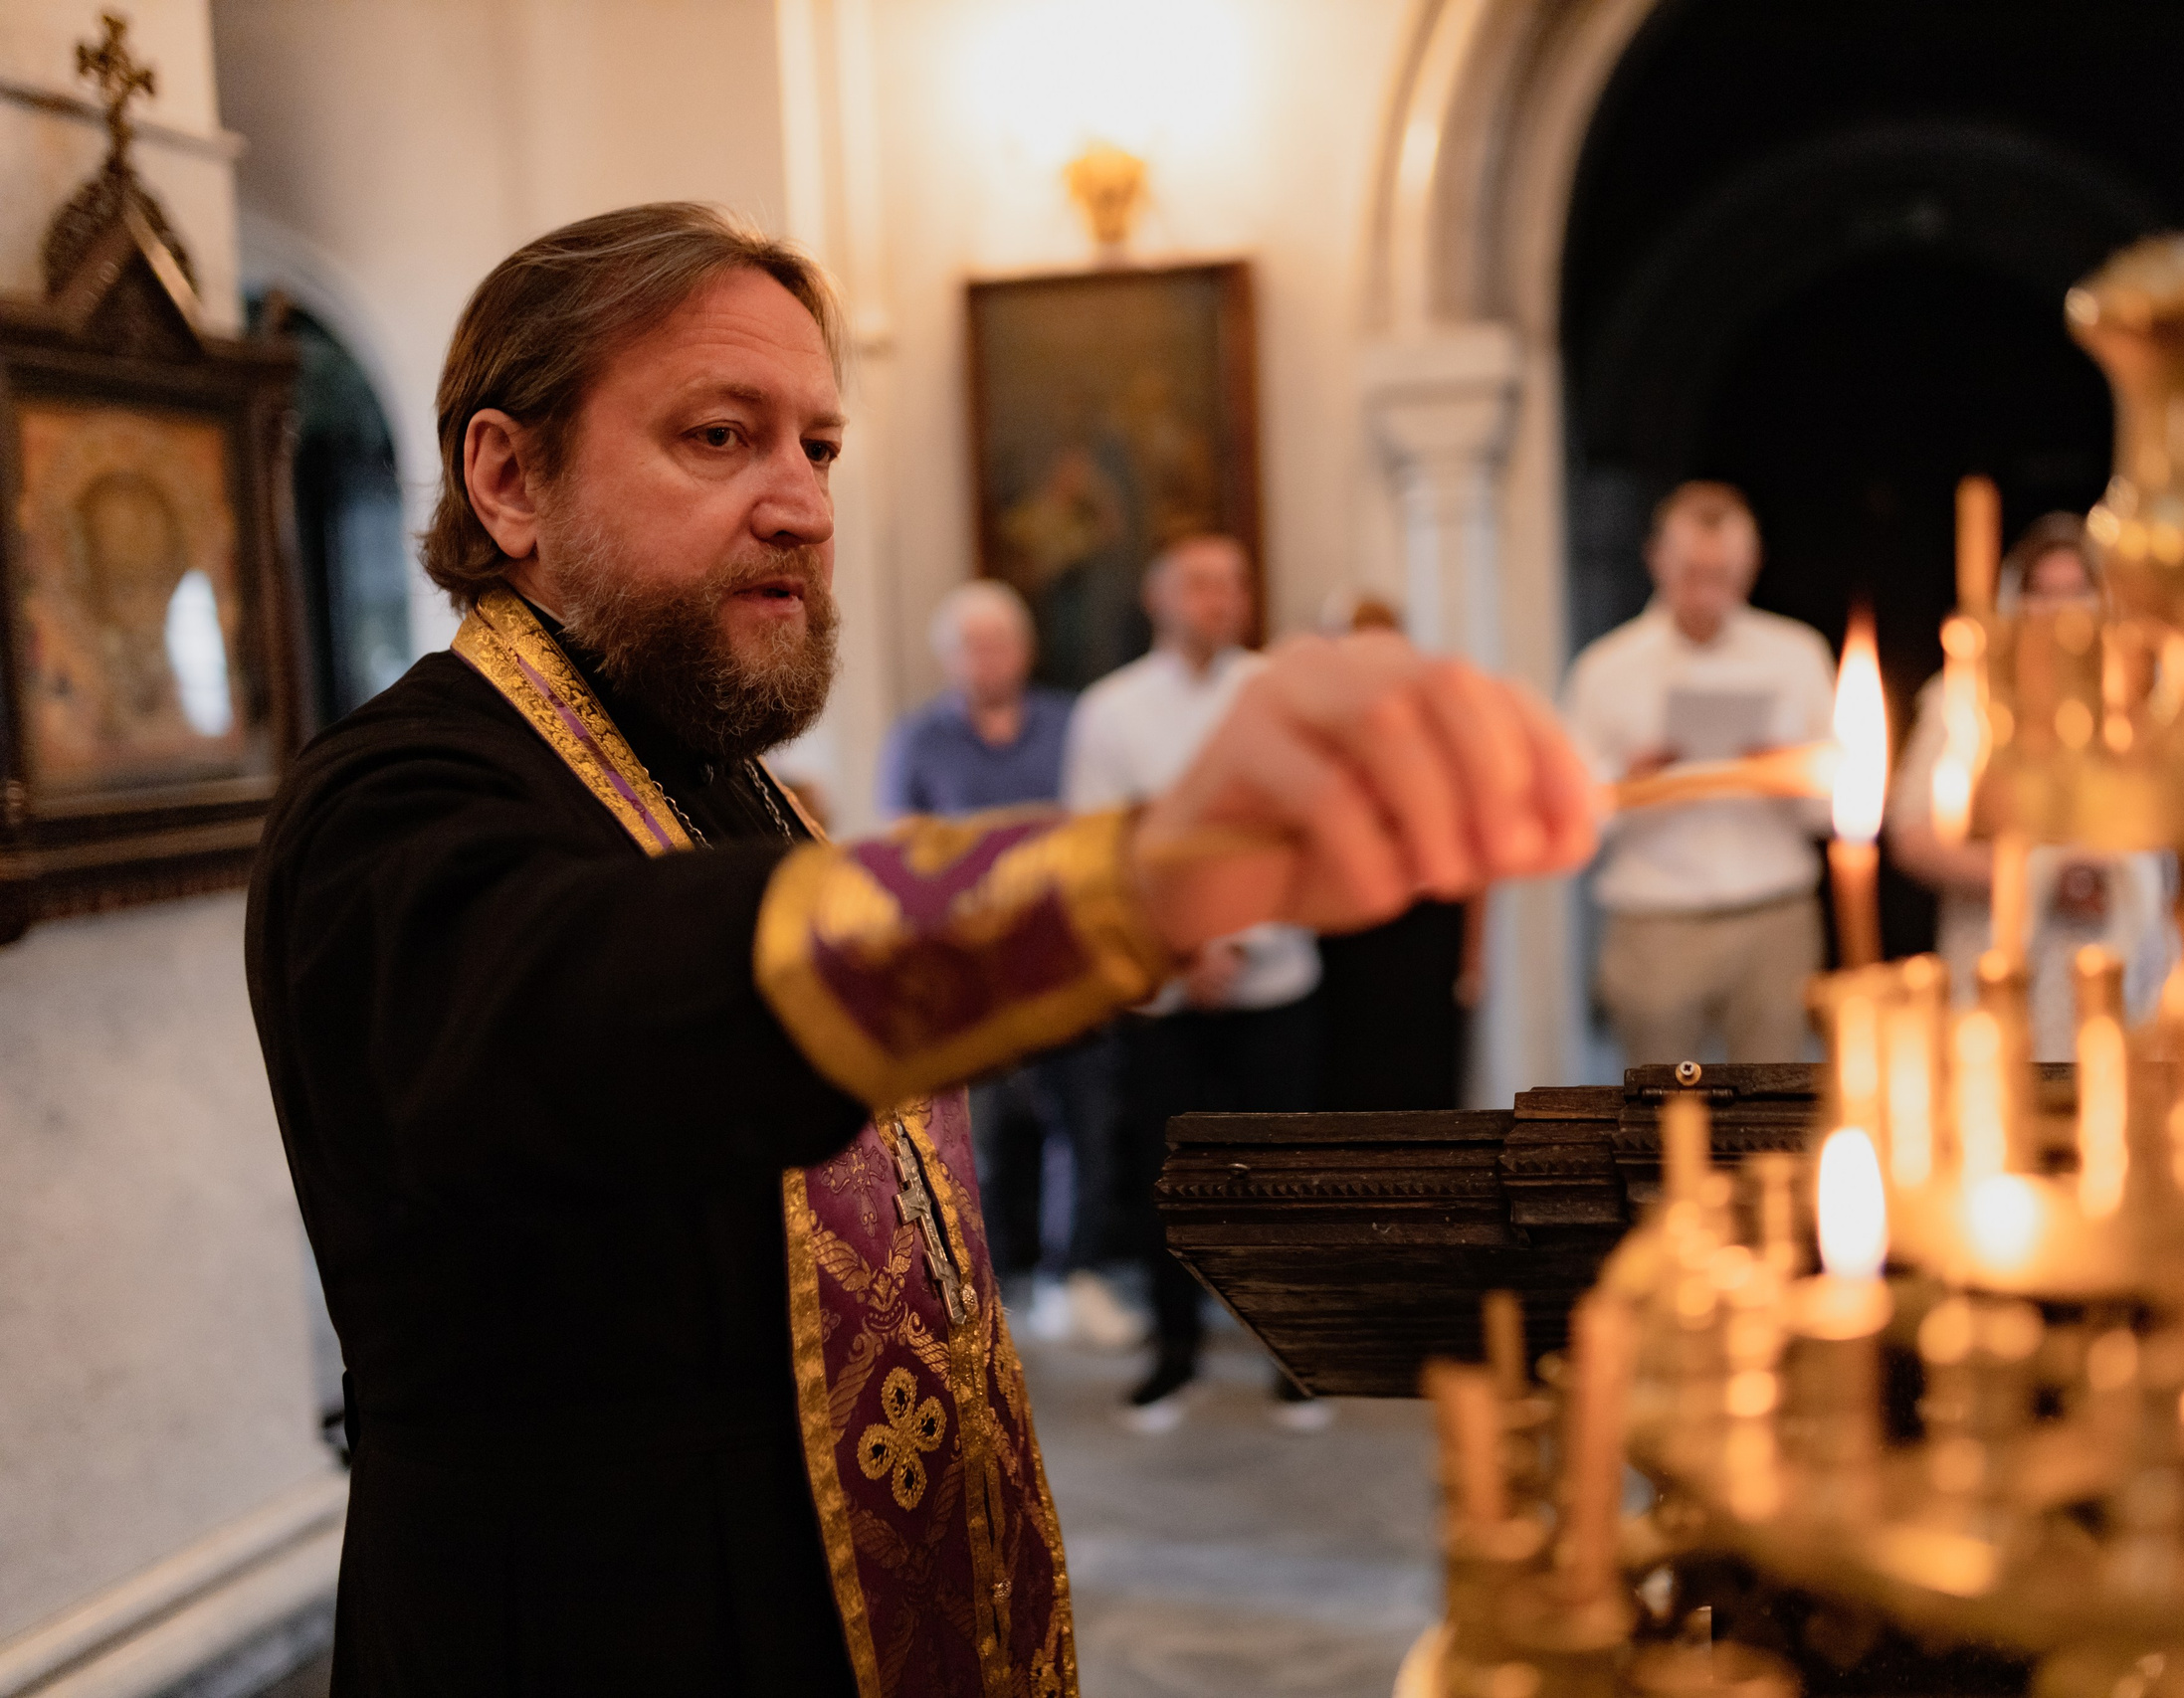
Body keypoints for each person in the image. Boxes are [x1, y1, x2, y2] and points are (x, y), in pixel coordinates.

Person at [244, 203, 1596, 1698]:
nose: (803, 505)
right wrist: (1139, 877)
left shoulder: (718, 779)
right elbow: (611, 996)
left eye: (816, 447)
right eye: (718, 436)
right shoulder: (391, 802)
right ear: (510, 477)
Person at [1063, 533, 1324, 1431]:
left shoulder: (1281, 697)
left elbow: (1299, 834)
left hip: (1273, 975)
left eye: (1234, 583)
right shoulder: (1111, 711)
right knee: (1165, 1175)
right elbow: (1107, 847)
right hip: (1165, 985)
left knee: (1279, 1174)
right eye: (1201, 583)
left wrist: (1238, 945)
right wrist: (1185, 951)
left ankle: (1292, 1352)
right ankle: (1174, 1352)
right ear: (1160, 597)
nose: (1220, 598)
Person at [877, 578, 1141, 1351]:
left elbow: (1101, 830)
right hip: (967, 973)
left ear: (1023, 650)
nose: (988, 657)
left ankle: (1074, 1273)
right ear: (950, 658)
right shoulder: (918, 739)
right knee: (976, 1139)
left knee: (1084, 1125)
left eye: (1001, 642)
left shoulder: (1072, 725)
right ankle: (986, 1288)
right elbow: (900, 855)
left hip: (1065, 957)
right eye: (972, 644)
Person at [1564, 480, 1835, 1065]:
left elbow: (1839, 802)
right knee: (1660, 1116)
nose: (1709, 590)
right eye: (1693, 572)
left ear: (1752, 566)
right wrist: (1626, 777)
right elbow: (1571, 814)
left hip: (1773, 912)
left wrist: (1788, 770)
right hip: (1656, 918)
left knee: (1773, 1113)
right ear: (1657, 558)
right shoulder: (1605, 669)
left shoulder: (1797, 654)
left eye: (1726, 574)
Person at [1886, 512, 2174, 1051]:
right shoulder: (1962, 699)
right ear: (2015, 602)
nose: (2061, 611)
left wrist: (2115, 867)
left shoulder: (2146, 701)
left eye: (2077, 591)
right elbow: (1912, 833)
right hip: (2003, 952)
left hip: (2123, 952)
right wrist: (2039, 877)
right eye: (2042, 593)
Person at [1312, 593, 1478, 1109]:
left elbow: (1476, 850)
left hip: (1429, 925)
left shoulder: (1441, 727)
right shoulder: (1318, 734)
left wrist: (1474, 957)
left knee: (1429, 1085)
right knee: (1351, 1085)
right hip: (1346, 927)